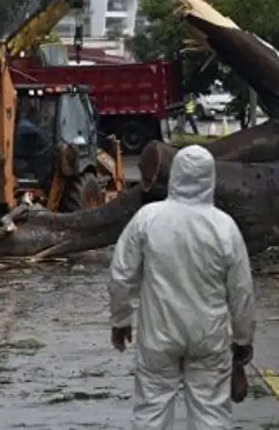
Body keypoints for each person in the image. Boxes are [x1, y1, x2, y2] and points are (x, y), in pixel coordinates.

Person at [109, 145, 256, 429]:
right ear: (210, 178)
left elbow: (121, 274)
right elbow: (241, 291)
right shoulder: (225, 226)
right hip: (208, 337)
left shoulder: (148, 218)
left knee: (151, 412)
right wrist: (242, 339)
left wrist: (120, 319)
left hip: (158, 336)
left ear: (174, 175)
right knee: (211, 415)